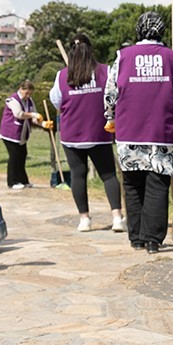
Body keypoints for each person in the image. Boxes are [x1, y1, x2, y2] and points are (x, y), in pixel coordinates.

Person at [104, 11, 173, 254]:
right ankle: (153, 240)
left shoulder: (122, 57)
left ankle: (135, 237)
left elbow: (110, 94)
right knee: (157, 185)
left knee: (133, 185)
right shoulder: (172, 58)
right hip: (162, 134)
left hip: (128, 133)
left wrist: (109, 118)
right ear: (161, 31)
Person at [50, 33, 124, 233]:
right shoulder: (105, 71)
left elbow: (56, 101)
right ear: (90, 50)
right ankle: (117, 217)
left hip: (72, 134)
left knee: (78, 175)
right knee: (108, 175)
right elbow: (114, 96)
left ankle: (84, 219)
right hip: (98, 132)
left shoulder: (62, 75)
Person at [0, 81, 52, 190]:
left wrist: (43, 124)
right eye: (26, 93)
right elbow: (19, 114)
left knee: (22, 155)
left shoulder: (29, 101)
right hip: (10, 133)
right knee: (14, 156)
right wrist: (33, 114)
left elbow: (34, 118)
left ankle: (23, 180)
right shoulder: (13, 100)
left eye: (30, 94)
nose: (28, 96)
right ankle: (12, 181)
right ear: (20, 89)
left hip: (21, 134)